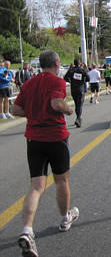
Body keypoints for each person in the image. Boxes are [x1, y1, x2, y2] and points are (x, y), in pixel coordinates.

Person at [11, 50, 79, 257]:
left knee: (36, 186)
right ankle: (66, 217)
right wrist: (68, 109)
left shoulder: (30, 83)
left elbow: (15, 109)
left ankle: (27, 230)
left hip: (33, 139)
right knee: (61, 181)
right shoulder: (56, 81)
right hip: (56, 138)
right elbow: (56, 104)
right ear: (57, 63)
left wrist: (32, 113)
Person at [64, 59, 89, 127]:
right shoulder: (82, 70)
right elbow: (88, 78)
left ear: (74, 63)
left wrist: (70, 81)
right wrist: (83, 81)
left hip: (73, 89)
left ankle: (78, 118)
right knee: (80, 104)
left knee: (76, 104)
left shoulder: (71, 70)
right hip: (80, 89)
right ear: (79, 63)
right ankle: (78, 119)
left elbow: (65, 77)